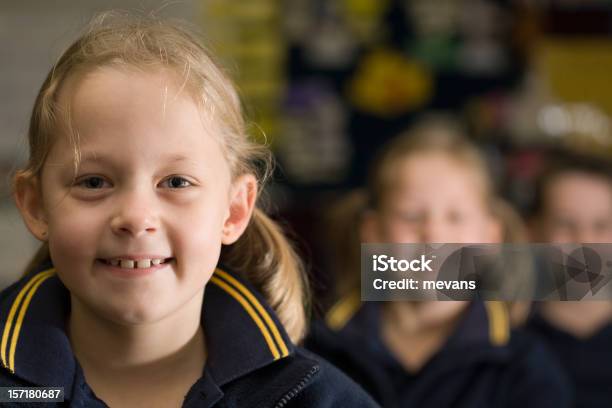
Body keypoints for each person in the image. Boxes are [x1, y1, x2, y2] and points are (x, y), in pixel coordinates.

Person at [0, 12, 378, 408]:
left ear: (233, 211)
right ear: (35, 204)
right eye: (94, 182)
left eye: (176, 182)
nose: (135, 216)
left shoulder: (320, 400)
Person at [306, 118, 572, 407]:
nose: (434, 234)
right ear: (372, 232)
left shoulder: (526, 370)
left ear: (490, 236)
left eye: (456, 217)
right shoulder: (317, 351)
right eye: (411, 216)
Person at [527, 152, 612, 408]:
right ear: (533, 232)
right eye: (565, 224)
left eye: (601, 225)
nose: (584, 240)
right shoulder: (501, 342)